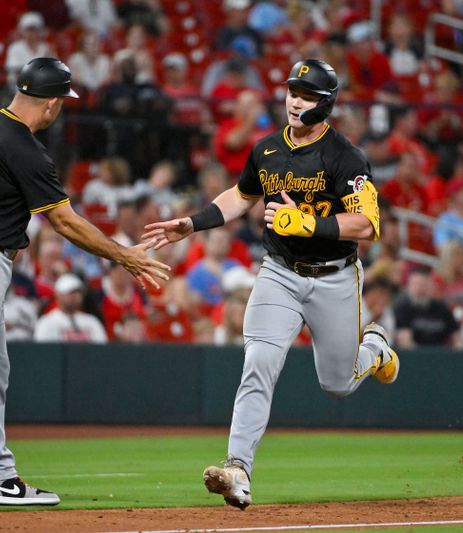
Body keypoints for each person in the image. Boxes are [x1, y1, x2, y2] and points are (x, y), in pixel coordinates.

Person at [142, 59, 398, 510]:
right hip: (279, 272)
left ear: (327, 104)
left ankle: (374, 348)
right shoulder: (266, 150)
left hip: (334, 277)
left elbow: (368, 224)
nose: (296, 100)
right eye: (292, 92)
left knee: (337, 383)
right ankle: (237, 470)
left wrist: (305, 221)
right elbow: (240, 197)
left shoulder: (346, 156)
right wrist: (192, 223)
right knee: (259, 361)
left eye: (308, 95)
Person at [0, 57, 169, 508]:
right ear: (52, 104)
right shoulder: (24, 146)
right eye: (62, 103)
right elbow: (65, 223)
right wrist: (125, 256)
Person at [33, 273, 108, 342]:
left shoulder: (92, 321)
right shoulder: (47, 322)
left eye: (78, 292)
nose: (76, 296)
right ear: (59, 295)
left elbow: (102, 350)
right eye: (71, 292)